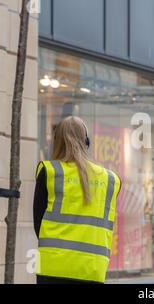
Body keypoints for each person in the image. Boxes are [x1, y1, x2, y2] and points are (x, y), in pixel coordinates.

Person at [33, 116, 121, 284]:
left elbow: (38, 224)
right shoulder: (110, 180)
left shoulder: (50, 172)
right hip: (92, 268)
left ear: (57, 141)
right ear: (86, 142)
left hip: (53, 266)